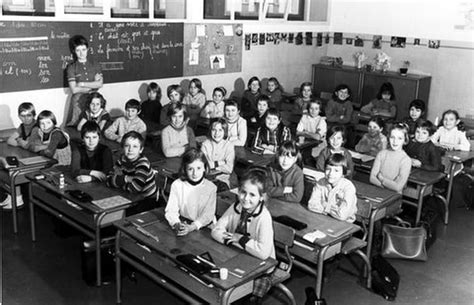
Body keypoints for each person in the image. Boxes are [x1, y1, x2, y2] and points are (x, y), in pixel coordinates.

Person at [212, 168, 275, 304]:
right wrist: (230, 240)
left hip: (262, 268)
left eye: (252, 195)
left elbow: (264, 253)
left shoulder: (264, 217)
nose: (246, 198)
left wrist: (240, 239)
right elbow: (216, 230)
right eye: (243, 192)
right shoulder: (236, 207)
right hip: (237, 256)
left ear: (262, 197)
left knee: (242, 294)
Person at [165, 148, 217, 236]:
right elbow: (171, 210)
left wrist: (192, 227)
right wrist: (176, 223)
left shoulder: (211, 187)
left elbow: (208, 215)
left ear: (205, 168)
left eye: (198, 168)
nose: (195, 173)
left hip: (205, 228)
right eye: (190, 169)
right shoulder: (177, 184)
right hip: (184, 223)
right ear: (184, 169)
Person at [2, 102, 37, 210]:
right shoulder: (22, 127)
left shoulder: (37, 126)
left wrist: (23, 143)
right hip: (28, 154)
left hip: (38, 157)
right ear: (19, 116)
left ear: (34, 115)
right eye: (23, 116)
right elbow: (10, 140)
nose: (26, 119)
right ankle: (11, 195)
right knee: (7, 162)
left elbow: (32, 145)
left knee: (14, 167)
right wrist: (21, 143)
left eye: (29, 115)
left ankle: (18, 198)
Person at [308, 153, 358, 223]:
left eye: (336, 171)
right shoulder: (321, 182)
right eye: (328, 169)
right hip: (322, 218)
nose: (331, 173)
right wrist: (333, 209)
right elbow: (311, 205)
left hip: (344, 224)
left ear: (343, 173)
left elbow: (342, 215)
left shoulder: (348, 187)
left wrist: (324, 205)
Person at [107, 131, 157, 199]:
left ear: (141, 150)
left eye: (135, 146)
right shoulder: (121, 161)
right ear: (122, 148)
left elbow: (135, 189)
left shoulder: (143, 164)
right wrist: (126, 179)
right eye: (127, 146)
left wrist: (119, 181)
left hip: (147, 199)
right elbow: (108, 180)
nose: (130, 149)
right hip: (126, 196)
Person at [66, 34, 103, 127]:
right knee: (78, 126)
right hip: (78, 101)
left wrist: (81, 84)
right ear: (74, 51)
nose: (81, 53)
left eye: (83, 49)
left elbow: (99, 84)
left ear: (87, 49)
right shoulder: (71, 67)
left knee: (96, 126)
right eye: (78, 50)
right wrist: (91, 87)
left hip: (94, 99)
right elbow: (74, 90)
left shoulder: (95, 64)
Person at [370, 123, 412, 193]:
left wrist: (381, 179)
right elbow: (372, 178)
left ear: (405, 140)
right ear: (389, 137)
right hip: (376, 191)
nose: (395, 141)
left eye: (400, 138)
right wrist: (385, 186)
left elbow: (397, 187)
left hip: (393, 196)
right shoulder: (382, 154)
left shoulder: (406, 160)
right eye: (392, 137)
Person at [201, 118, 235, 190]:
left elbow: (229, 168)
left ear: (225, 131)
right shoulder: (205, 145)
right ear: (210, 130)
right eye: (214, 130)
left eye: (220, 130)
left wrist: (213, 165)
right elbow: (205, 167)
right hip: (207, 178)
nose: (217, 133)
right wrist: (220, 163)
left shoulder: (229, 145)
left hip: (223, 179)